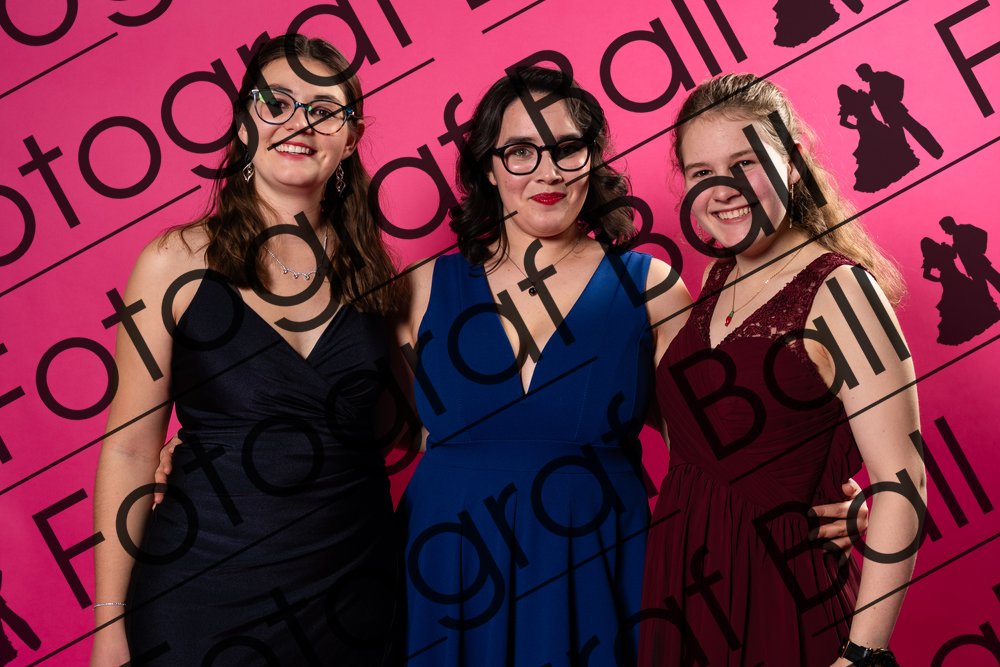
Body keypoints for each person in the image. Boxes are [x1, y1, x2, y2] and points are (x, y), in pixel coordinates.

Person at [394, 67, 865, 666]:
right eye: (520, 151)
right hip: (449, 569)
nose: (548, 171)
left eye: (568, 148)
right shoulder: (420, 288)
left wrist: (820, 494)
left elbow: (714, 449)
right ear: (488, 167)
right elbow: (375, 439)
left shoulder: (650, 288)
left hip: (598, 568)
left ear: (593, 160)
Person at [91, 34, 403, 666]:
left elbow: (410, 429)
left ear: (351, 138)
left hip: (354, 604)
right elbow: (128, 448)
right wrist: (109, 624)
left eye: (324, 110)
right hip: (199, 599)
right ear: (243, 122)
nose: (299, 123)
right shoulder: (173, 262)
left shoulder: (380, 278)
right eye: (276, 103)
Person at [640, 73, 924, 666]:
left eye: (744, 163)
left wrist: (862, 656)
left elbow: (905, 484)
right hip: (685, 592)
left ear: (791, 163)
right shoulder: (718, 278)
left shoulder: (844, 291)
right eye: (701, 172)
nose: (722, 189)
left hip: (784, 598)